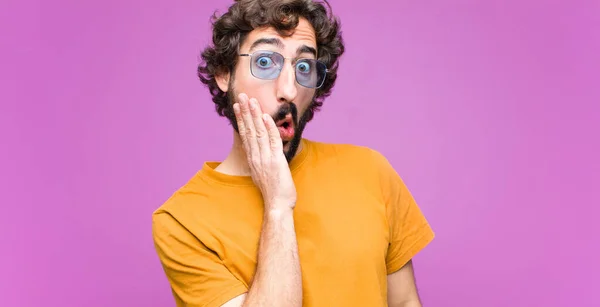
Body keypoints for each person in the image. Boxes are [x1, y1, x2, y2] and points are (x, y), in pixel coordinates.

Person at [151, 0, 435, 306]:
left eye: (303, 67)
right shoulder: (182, 221)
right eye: (264, 62)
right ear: (224, 73)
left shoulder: (370, 171)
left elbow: (405, 302)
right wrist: (277, 206)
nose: (289, 89)